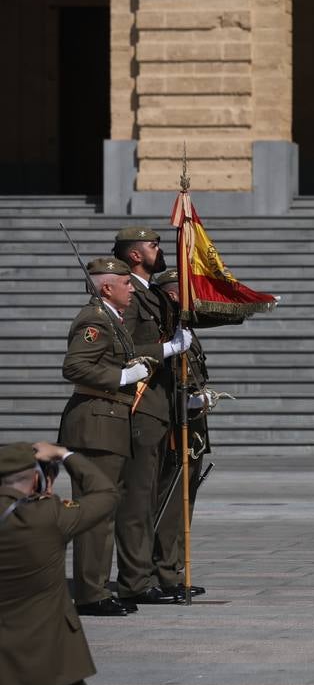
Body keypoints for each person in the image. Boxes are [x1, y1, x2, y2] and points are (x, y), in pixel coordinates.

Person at [59, 256, 154, 617]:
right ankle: (90, 594)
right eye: (126, 283)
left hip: (109, 424)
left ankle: (96, 588)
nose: (132, 288)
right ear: (106, 288)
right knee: (96, 513)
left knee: (104, 511)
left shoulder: (112, 320)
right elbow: (74, 366)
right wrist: (122, 378)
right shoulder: (94, 319)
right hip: (95, 425)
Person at [109, 225, 194, 606]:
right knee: (137, 500)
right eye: (152, 244)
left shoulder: (151, 295)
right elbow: (123, 346)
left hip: (162, 407)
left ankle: (152, 574)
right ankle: (135, 581)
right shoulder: (127, 294)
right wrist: (166, 350)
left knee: (156, 496)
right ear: (133, 255)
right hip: (141, 407)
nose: (159, 249)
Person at [0, 440, 118, 685]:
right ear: (36, 480)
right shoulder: (48, 516)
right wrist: (66, 454)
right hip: (48, 660)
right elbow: (106, 494)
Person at [151, 268, 211, 601]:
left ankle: (174, 569)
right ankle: (164, 573)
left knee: (184, 505)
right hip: (174, 427)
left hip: (194, 428)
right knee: (170, 504)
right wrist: (183, 400)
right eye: (184, 294)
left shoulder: (185, 332)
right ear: (172, 295)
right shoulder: (164, 335)